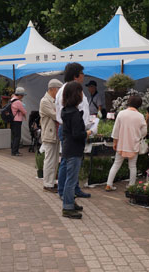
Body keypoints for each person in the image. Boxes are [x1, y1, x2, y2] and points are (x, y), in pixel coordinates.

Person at [56, 63, 91, 199]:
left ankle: (73, 189)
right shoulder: (67, 90)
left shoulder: (71, 88)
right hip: (71, 129)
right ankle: (64, 191)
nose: (83, 76)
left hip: (73, 127)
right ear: (76, 75)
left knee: (73, 162)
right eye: (82, 74)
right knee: (67, 161)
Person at [61, 82, 92, 219]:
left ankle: (70, 202)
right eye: (80, 92)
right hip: (74, 149)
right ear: (76, 95)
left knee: (71, 178)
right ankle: (67, 207)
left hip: (68, 148)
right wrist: (89, 132)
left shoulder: (66, 110)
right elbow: (77, 134)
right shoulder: (74, 113)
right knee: (71, 180)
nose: (81, 95)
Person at [105, 95, 147, 191]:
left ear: (128, 102)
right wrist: (138, 136)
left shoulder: (121, 114)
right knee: (132, 166)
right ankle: (131, 186)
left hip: (121, 144)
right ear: (139, 105)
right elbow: (144, 131)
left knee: (116, 164)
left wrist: (115, 142)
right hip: (134, 144)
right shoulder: (140, 116)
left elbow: (116, 130)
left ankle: (108, 184)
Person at [40, 78, 63, 192]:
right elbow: (55, 115)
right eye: (59, 90)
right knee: (49, 159)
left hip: (55, 134)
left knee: (54, 160)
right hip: (49, 135)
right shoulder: (45, 101)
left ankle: (52, 182)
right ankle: (47, 184)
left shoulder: (53, 100)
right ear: (53, 89)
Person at [10, 87, 27, 156]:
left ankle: (13, 150)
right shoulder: (18, 102)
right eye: (22, 95)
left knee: (14, 136)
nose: (22, 97)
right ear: (19, 95)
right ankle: (15, 151)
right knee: (17, 136)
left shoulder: (12, 100)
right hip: (17, 120)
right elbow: (24, 111)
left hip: (12, 120)